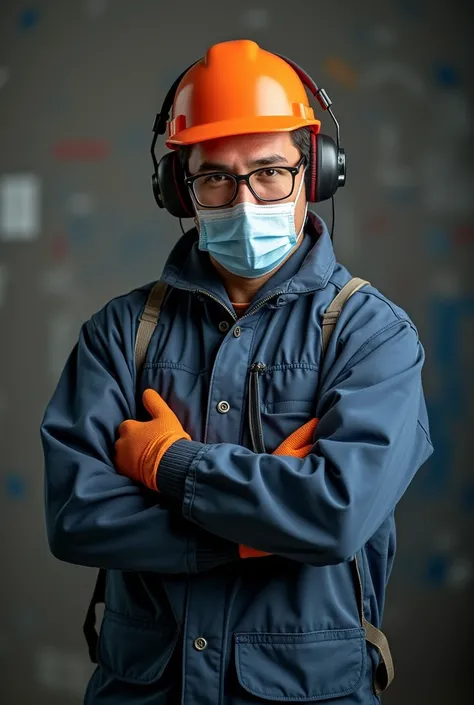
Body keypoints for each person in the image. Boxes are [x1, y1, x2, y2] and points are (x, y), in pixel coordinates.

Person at [41, 39, 434, 705]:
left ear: (314, 173)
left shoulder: (374, 335)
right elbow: (78, 515)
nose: (246, 198)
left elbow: (336, 516)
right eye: (216, 176)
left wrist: (169, 465)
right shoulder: (119, 333)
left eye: (270, 171)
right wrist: (264, 534)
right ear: (179, 190)